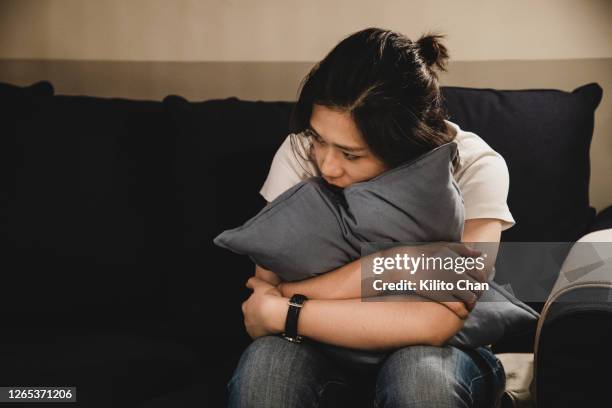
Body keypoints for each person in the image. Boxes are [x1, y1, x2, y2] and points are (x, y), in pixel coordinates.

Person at [227, 27, 514, 408]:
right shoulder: (299, 152)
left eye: (352, 154)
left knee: (421, 380)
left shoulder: (474, 164)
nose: (327, 166)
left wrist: (288, 308)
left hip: (443, 351)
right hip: (321, 350)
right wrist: (399, 267)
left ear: (406, 142)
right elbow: (258, 307)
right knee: (265, 374)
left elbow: (439, 320)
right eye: (319, 139)